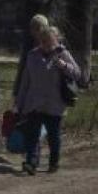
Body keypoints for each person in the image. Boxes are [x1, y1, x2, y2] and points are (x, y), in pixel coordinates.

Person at [14, 26, 80, 175]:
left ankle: (53, 162)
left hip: (55, 104)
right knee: (32, 135)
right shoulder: (32, 55)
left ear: (56, 40)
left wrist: (64, 66)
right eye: (43, 41)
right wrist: (18, 103)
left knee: (53, 136)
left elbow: (77, 74)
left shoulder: (63, 54)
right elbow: (25, 81)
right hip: (34, 103)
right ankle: (31, 163)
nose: (46, 44)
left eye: (49, 41)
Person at [12, 14, 52, 100]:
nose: (34, 32)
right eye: (33, 28)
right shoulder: (29, 46)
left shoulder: (53, 45)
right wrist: (17, 91)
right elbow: (22, 68)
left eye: (37, 28)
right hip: (30, 91)